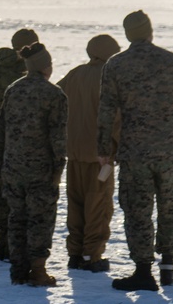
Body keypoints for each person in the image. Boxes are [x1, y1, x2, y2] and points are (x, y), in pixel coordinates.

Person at [98, 10, 173, 292]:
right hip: (169, 152)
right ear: (150, 31)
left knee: (137, 211)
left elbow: (106, 111)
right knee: (170, 208)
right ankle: (167, 266)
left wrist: (104, 149)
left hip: (135, 152)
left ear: (128, 34)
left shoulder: (116, 65)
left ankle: (143, 271)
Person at [0, 42, 67, 287]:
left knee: (16, 217)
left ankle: (18, 270)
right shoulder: (53, 94)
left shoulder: (13, 90)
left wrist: (2, 164)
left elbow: (0, 132)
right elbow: (58, 138)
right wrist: (58, 168)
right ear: (45, 66)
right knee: (40, 219)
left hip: (12, 168)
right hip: (41, 170)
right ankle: (38, 271)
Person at [56, 33, 121, 273]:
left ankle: (75, 253)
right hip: (100, 158)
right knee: (98, 206)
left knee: (76, 204)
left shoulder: (74, 75)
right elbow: (117, 120)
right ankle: (92, 256)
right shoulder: (110, 78)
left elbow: (55, 101)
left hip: (73, 155)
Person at [0, 27, 39, 260]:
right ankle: (20, 245)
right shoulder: (31, 73)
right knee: (22, 195)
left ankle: (3, 241)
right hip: (23, 147)